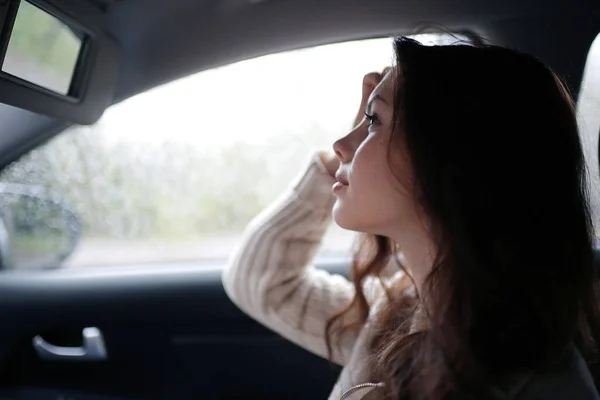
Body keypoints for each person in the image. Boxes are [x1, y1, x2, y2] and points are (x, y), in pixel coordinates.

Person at [222, 36, 600, 400]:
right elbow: (262, 282)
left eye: (373, 120)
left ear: (449, 159)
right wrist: (344, 164)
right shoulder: (405, 312)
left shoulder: (525, 380)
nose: (339, 146)